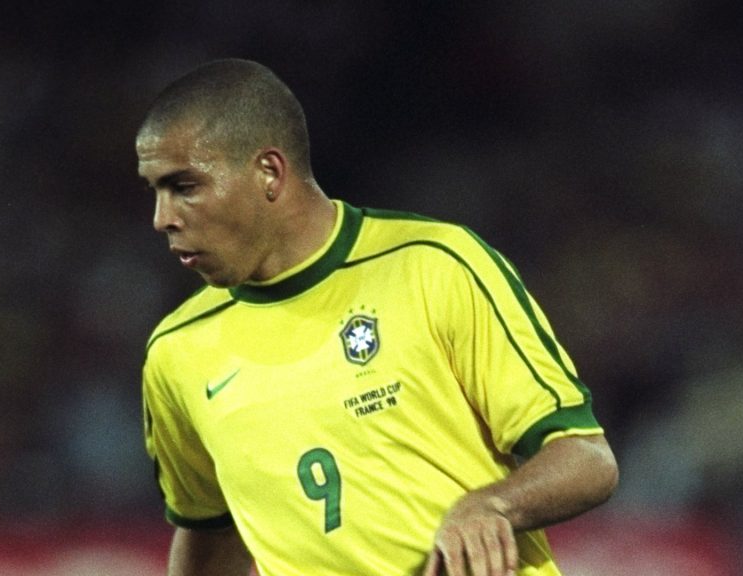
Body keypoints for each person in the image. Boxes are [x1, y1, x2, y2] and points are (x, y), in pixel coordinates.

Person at [137, 58, 618, 576]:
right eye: (156, 191)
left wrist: (493, 504)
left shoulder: (434, 266)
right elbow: (208, 531)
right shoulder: (176, 353)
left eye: (184, 186)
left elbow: (586, 459)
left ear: (269, 172)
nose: (163, 218)